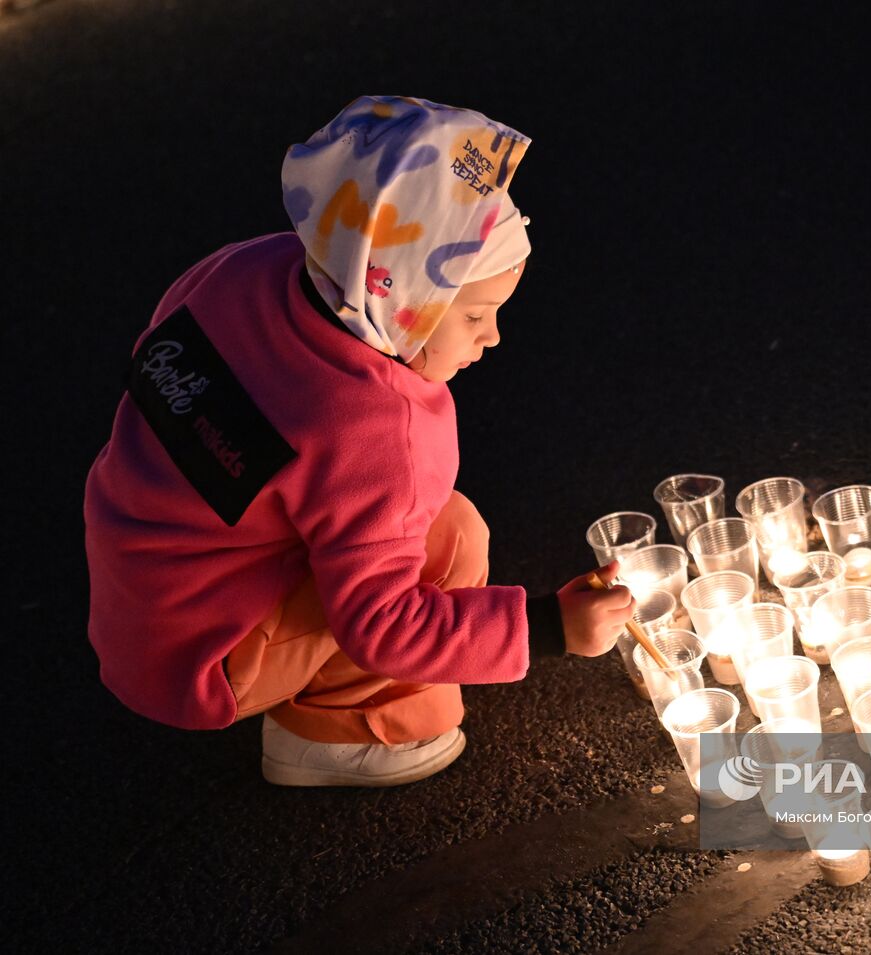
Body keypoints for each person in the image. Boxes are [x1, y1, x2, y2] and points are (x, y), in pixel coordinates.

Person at [83, 96, 634, 788]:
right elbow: (385, 622)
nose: (492, 338)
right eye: (474, 314)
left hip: (137, 585)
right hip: (198, 658)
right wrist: (552, 626)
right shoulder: (378, 426)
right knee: (451, 538)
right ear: (400, 296)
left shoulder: (247, 269)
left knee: (375, 523)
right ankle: (338, 730)